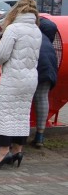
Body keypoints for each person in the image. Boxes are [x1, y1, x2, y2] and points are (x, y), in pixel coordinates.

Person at [0, 0, 41, 168]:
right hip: (30, 79)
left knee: (4, 115)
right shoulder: (36, 30)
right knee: (21, 116)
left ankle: (3, 153)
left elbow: (2, 55)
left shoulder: (13, 29)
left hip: (12, 77)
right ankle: (18, 150)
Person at [33, 17, 58, 148]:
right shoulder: (47, 38)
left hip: (35, 67)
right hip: (50, 68)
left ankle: (18, 135)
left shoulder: (29, 34)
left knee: (23, 100)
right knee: (42, 98)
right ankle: (40, 136)